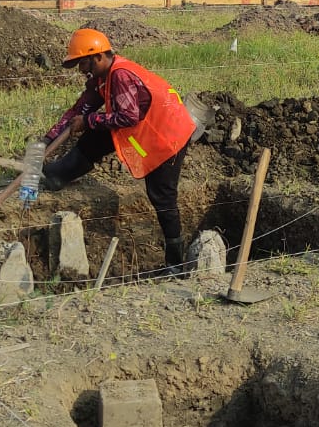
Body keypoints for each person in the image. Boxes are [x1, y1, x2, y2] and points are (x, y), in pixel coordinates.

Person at [39, 29, 200, 273]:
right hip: (146, 130)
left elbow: (127, 116)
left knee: (162, 195)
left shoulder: (121, 76)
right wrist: (47, 140)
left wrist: (89, 121)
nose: (82, 70)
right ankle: (57, 175)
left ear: (99, 57)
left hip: (168, 137)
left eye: (83, 63)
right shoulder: (102, 78)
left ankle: (176, 262)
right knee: (94, 136)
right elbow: (80, 110)